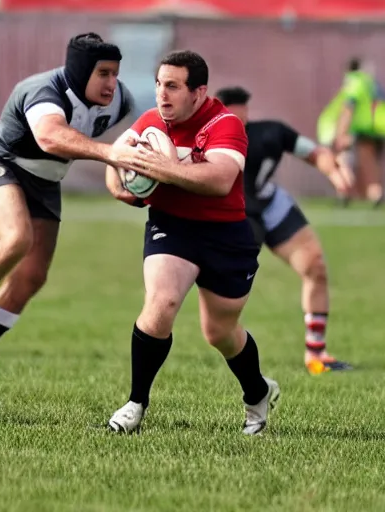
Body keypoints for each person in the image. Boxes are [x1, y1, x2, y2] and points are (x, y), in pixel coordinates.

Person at [105, 50, 279, 435]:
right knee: (161, 303)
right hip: (172, 227)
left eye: (172, 86)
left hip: (226, 236)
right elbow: (115, 160)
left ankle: (257, 392)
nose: (161, 95)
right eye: (158, 85)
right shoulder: (151, 123)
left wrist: (162, 169)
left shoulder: (225, 123)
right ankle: (136, 402)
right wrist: (122, 187)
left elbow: (218, 181)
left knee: (220, 332)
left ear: (198, 92)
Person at [0, 33, 156, 357]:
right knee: (16, 238)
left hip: (47, 182)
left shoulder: (120, 101)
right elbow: (50, 136)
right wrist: (110, 154)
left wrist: (119, 174)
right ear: (80, 71)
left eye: (115, 73)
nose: (111, 82)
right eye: (102, 73)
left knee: (31, 277)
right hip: (0, 165)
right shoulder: (44, 91)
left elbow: (122, 147)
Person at [214, 86, 353, 375]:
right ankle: (230, 346)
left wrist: (334, 173)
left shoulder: (270, 133)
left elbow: (315, 153)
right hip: (233, 214)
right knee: (228, 296)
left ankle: (317, 355)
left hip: (269, 204)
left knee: (315, 265)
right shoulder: (209, 140)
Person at [330, 57, 385, 207]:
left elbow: (348, 107)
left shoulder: (355, 83)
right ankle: (375, 194)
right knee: (370, 163)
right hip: (380, 129)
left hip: (362, 128)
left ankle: (344, 191)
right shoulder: (373, 84)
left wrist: (340, 132)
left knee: (342, 158)